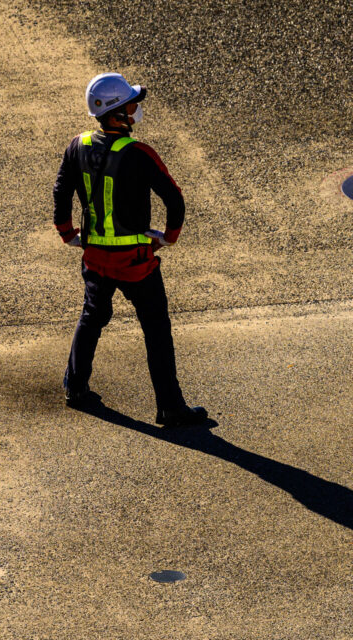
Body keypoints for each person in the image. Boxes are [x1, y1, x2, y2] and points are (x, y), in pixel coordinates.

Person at [52, 72, 208, 427]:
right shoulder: (140, 153)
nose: (137, 111)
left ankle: (75, 387)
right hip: (136, 263)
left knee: (92, 317)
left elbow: (60, 193)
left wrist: (67, 234)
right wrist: (169, 237)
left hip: (94, 259)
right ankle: (170, 408)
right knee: (156, 329)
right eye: (133, 106)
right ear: (117, 114)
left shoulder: (76, 146)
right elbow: (174, 199)